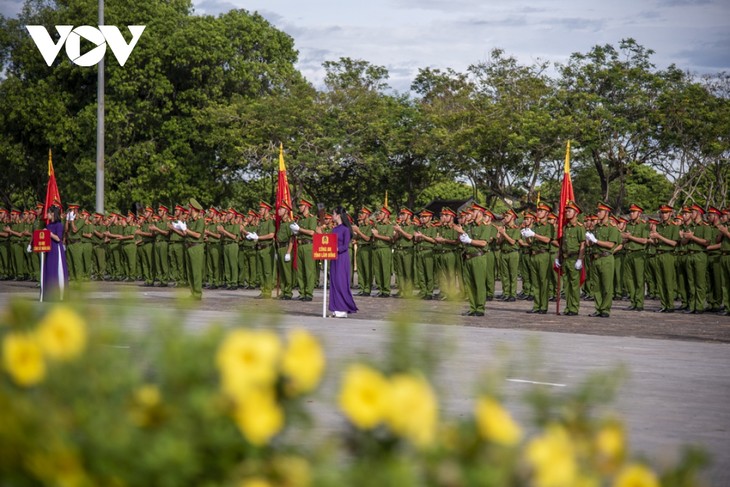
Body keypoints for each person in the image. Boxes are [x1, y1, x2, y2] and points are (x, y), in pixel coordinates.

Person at [329, 206, 358, 318]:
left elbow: (346, 245)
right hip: (333, 258)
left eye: (333, 213)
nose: (332, 216)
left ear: (338, 215)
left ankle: (343, 308)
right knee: (334, 282)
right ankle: (336, 307)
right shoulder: (334, 229)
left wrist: (337, 249)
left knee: (341, 282)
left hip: (342, 257)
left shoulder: (346, 229)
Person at [41, 205, 69, 302]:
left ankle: (59, 294)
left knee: (57, 270)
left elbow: (58, 238)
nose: (47, 214)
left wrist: (49, 233)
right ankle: (48, 294)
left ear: (53, 213)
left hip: (56, 249)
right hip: (49, 249)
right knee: (49, 269)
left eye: (48, 212)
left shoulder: (59, 225)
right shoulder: (48, 225)